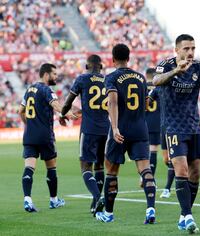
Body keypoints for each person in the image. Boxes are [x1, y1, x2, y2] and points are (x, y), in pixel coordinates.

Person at [153, 34, 200, 233]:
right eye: (186, 48)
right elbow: (156, 81)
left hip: (193, 127)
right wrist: (176, 71)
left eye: (193, 48)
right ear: (176, 50)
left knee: (195, 173)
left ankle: (183, 214)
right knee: (181, 170)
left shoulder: (199, 67)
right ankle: (188, 216)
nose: (190, 52)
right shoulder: (165, 65)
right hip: (173, 127)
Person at [95, 44, 156, 224]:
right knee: (145, 169)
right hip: (140, 129)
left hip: (120, 129)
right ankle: (151, 209)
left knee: (112, 172)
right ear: (128, 58)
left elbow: (112, 102)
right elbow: (146, 104)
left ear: (113, 59)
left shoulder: (112, 77)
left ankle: (109, 213)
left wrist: (114, 128)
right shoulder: (140, 77)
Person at [60, 55, 109, 214]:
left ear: (87, 67)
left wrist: (62, 114)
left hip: (89, 129)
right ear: (100, 67)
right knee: (99, 165)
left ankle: (97, 197)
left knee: (85, 166)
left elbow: (68, 101)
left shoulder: (82, 78)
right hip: (105, 128)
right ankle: (96, 202)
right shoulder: (107, 80)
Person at [19, 63, 70, 212]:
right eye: (54, 74)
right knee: (51, 167)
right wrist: (66, 113)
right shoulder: (46, 89)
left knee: (29, 167)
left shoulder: (29, 89)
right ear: (46, 74)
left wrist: (28, 125)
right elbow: (56, 105)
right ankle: (53, 200)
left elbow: (21, 110)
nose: (56, 76)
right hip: (45, 135)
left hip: (29, 135)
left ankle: (27, 199)